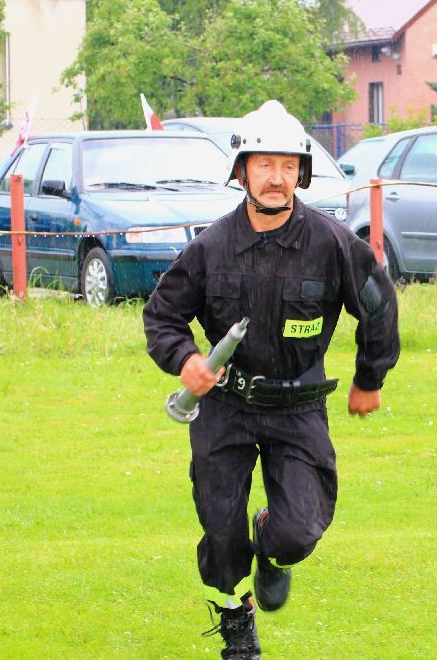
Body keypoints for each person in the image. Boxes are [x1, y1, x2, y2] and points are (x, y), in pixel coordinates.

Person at [143, 100, 400, 659]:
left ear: (301, 173)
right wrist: (185, 358)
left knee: (297, 531)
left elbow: (377, 306)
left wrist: (369, 376)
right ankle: (237, 620)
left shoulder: (332, 244)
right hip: (224, 409)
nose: (277, 178)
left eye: (288, 166)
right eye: (264, 165)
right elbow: (161, 315)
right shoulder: (210, 247)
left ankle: (274, 546)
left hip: (298, 408)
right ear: (242, 172)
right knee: (220, 530)